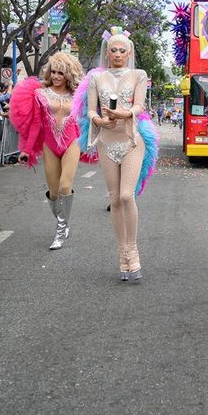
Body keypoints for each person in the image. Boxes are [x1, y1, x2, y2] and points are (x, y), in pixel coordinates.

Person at [81, 28, 158, 281]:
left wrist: (125, 115)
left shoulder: (139, 75)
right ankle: (122, 255)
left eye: (122, 50)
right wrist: (100, 121)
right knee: (114, 199)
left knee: (127, 195)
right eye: (112, 50)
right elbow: (90, 111)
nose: (117, 54)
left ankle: (133, 251)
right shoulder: (96, 78)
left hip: (131, 140)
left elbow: (139, 105)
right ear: (107, 52)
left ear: (129, 52)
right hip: (106, 142)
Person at [9, 52, 84, 251]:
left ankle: (60, 232)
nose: (57, 76)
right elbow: (35, 124)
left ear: (69, 74)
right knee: (53, 193)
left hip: (72, 142)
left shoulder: (77, 95)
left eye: (61, 72)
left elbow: (87, 119)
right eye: (54, 72)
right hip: (50, 145)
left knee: (65, 187)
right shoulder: (40, 94)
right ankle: (63, 221)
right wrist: (26, 150)